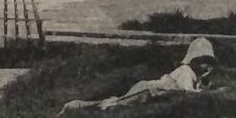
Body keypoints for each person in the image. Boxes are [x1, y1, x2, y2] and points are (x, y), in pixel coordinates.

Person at [59, 38, 218, 113]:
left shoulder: (193, 74)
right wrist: (204, 90)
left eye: (208, 62)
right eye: (202, 61)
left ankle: (80, 107)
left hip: (154, 90)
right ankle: (74, 106)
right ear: (193, 61)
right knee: (116, 104)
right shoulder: (186, 72)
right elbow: (187, 92)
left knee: (120, 103)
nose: (206, 66)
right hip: (149, 88)